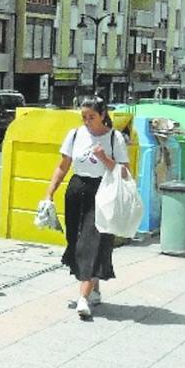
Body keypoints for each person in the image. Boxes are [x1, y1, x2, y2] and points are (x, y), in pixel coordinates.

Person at [43, 96, 130, 319]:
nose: (87, 121)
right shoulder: (75, 134)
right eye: (83, 117)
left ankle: (83, 298)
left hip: (103, 191)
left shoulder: (115, 138)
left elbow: (125, 173)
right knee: (75, 240)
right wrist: (49, 193)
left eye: (91, 117)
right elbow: (62, 166)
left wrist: (105, 158)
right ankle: (95, 288)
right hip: (77, 189)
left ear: (102, 115)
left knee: (90, 242)